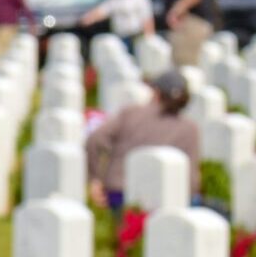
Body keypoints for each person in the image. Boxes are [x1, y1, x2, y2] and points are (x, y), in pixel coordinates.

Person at [83, 70, 200, 209]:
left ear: (156, 93)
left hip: (118, 193)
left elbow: (95, 139)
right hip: (163, 201)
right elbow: (191, 181)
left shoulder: (131, 113)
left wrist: (95, 179)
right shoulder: (190, 129)